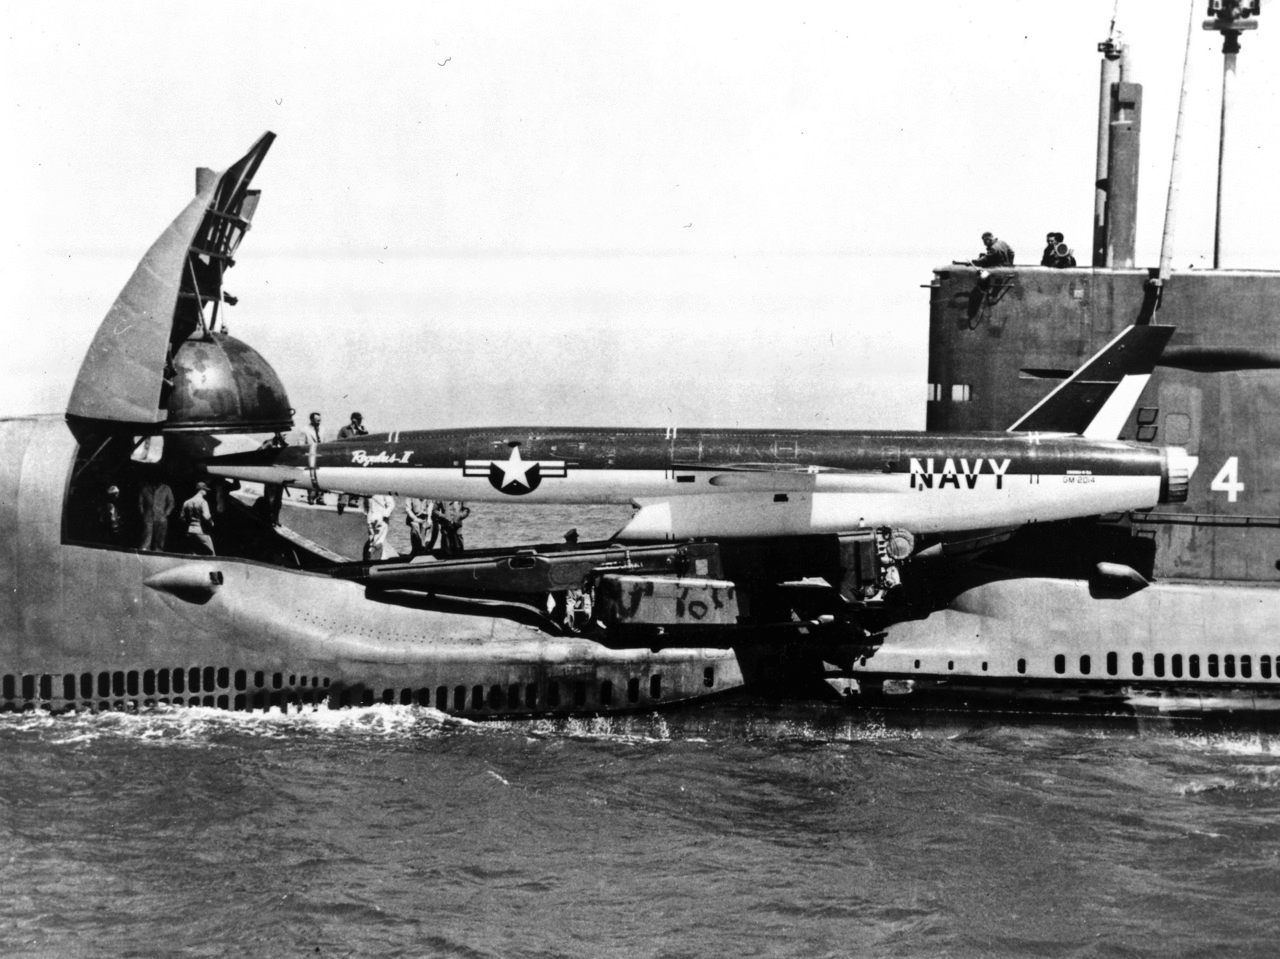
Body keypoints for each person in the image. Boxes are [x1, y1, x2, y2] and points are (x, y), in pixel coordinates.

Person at [336, 413, 369, 511]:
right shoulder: (344, 430)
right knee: (344, 479)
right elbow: (339, 442)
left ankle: (353, 500)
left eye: (360, 419)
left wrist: (361, 432)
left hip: (357, 458)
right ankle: (342, 501)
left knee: (357, 479)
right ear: (353, 419)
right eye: (358, 419)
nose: (360, 421)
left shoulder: (362, 430)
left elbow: (367, 442)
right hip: (346, 458)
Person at [138, 478, 174, 551]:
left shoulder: (166, 488)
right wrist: (143, 513)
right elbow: (140, 503)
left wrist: (166, 513)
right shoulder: (145, 489)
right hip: (148, 518)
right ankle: (144, 554)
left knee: (159, 542)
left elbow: (171, 502)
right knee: (146, 540)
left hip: (161, 518)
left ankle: (158, 555)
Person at [180, 482, 215, 555]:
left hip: (190, 531)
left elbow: (182, 518)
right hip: (200, 531)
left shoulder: (187, 502)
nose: (206, 491)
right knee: (211, 554)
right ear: (201, 490)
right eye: (205, 490)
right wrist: (211, 523)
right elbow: (206, 516)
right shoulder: (203, 502)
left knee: (193, 554)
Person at [300, 412, 326, 505]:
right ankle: (311, 497)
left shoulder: (322, 429)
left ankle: (320, 498)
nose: (319, 422)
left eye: (320, 420)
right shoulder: (304, 430)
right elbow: (301, 445)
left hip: (320, 456)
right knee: (311, 476)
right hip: (310, 456)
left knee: (322, 476)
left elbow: (324, 443)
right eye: (317, 420)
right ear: (311, 420)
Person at [363, 493, 396, 561]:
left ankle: (376, 559)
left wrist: (385, 514)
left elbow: (391, 504)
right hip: (371, 518)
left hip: (381, 518)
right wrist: (366, 513)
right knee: (371, 539)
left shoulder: (383, 491)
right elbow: (365, 503)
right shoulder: (367, 491)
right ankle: (374, 559)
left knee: (378, 541)